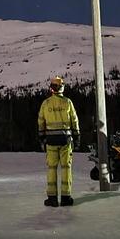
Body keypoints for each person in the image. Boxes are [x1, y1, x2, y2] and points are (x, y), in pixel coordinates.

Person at [37, 75, 80, 207]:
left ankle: (52, 198)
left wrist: (41, 137)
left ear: (52, 88)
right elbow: (74, 120)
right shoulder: (67, 102)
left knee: (51, 168)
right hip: (65, 140)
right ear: (61, 88)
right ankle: (66, 197)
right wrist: (77, 137)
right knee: (66, 168)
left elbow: (41, 121)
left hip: (50, 140)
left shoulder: (46, 103)